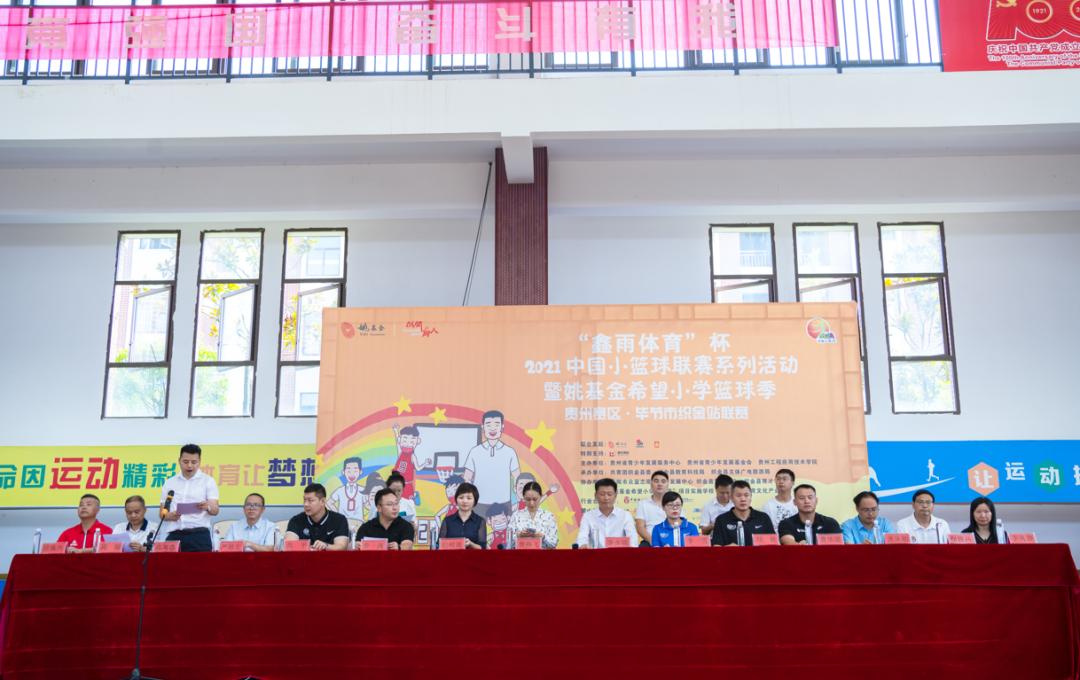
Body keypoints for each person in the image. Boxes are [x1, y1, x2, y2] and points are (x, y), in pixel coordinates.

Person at [158, 444, 219, 552]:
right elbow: (162, 514)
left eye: (194, 462)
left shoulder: (208, 481)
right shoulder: (169, 483)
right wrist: (170, 515)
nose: (190, 465)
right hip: (174, 535)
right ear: (179, 461)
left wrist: (207, 507)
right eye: (185, 462)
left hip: (199, 536)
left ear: (199, 461)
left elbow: (215, 510)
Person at [463, 410, 520, 515]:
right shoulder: (475, 451)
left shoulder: (510, 452)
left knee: (504, 526)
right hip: (480, 503)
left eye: (497, 424)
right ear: (483, 427)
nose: (492, 428)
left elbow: (517, 478)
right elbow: (467, 478)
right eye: (488, 424)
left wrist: (517, 500)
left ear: (502, 427)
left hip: (504, 503)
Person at [285, 483, 351, 550]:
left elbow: (342, 547)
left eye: (310, 500)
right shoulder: (296, 520)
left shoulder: (339, 520)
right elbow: (289, 546)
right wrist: (309, 548)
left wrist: (326, 546)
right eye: (304, 500)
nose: (306, 504)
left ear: (323, 501)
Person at [575, 478, 636, 549]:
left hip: (619, 554)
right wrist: (583, 545)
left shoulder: (625, 515)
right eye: (602, 494)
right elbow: (582, 538)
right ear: (595, 495)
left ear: (615, 495)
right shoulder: (588, 516)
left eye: (609, 494)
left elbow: (632, 540)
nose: (606, 498)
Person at [711, 480, 775, 546]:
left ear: (751, 497)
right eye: (738, 496)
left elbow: (773, 544)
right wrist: (727, 548)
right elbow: (716, 545)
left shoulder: (763, 518)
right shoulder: (721, 520)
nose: (743, 499)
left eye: (746, 495)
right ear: (731, 498)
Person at [508, 481, 558, 549]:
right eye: (528, 499)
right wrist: (519, 536)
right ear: (523, 498)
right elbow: (509, 544)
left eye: (535, 499)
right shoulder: (516, 516)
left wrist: (542, 537)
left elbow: (554, 543)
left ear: (540, 497)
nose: (531, 503)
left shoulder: (549, 516)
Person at [438, 482, 487, 549]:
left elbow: (483, 548)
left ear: (475, 501)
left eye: (469, 498)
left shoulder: (480, 521)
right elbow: (439, 545)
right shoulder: (447, 521)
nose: (464, 501)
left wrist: (471, 544)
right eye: (461, 497)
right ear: (456, 500)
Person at [392, 424, 431, 503]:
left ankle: (414, 496)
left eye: (412, 441)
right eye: (405, 440)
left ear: (417, 441)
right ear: (400, 439)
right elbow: (397, 443)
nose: (407, 443)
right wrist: (396, 431)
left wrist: (425, 463)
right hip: (397, 484)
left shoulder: (412, 456)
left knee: (407, 503)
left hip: (407, 486)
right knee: (396, 502)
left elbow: (418, 468)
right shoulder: (401, 453)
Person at [634, 470, 669, 545]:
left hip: (671, 541)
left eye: (663, 481)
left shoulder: (674, 503)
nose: (659, 484)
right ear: (651, 484)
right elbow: (640, 527)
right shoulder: (643, 504)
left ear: (667, 485)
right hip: (650, 541)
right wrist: (654, 542)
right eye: (656, 481)